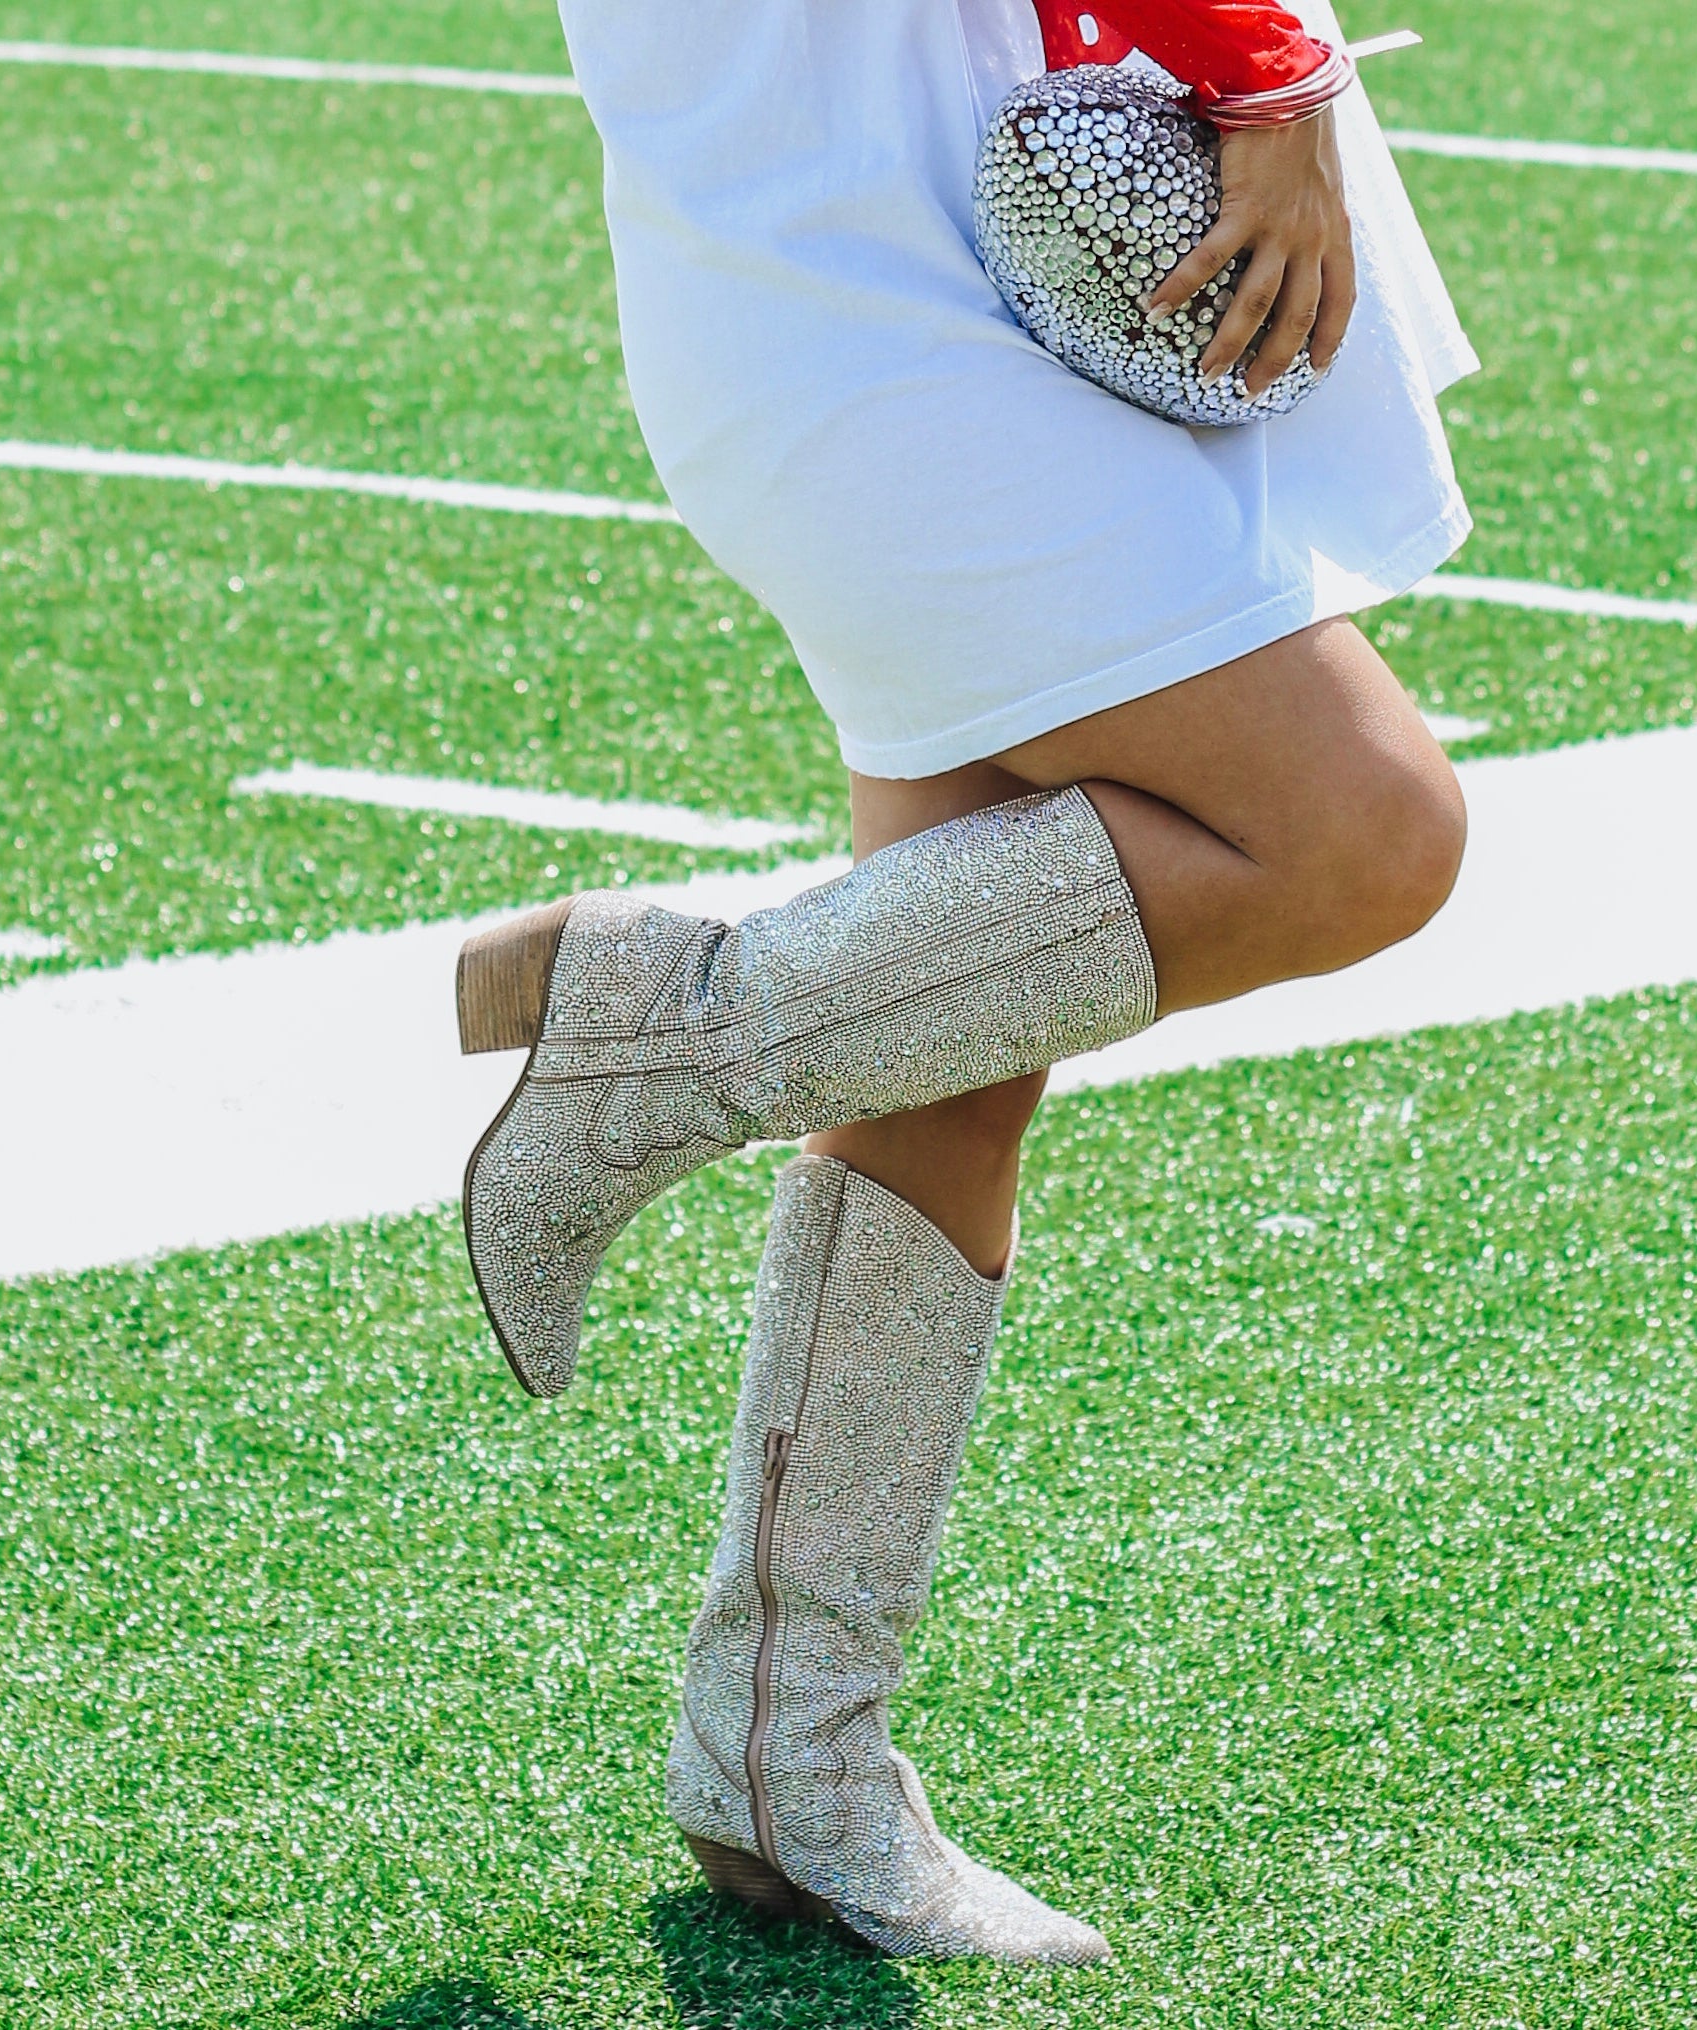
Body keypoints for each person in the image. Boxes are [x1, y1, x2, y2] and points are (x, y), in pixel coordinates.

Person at [458, 0, 1476, 1966]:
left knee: (946, 1074)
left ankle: (787, 1754)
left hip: (914, 236)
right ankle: (657, 1041)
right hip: (879, 275)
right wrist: (1261, 62)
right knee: (1364, 829)